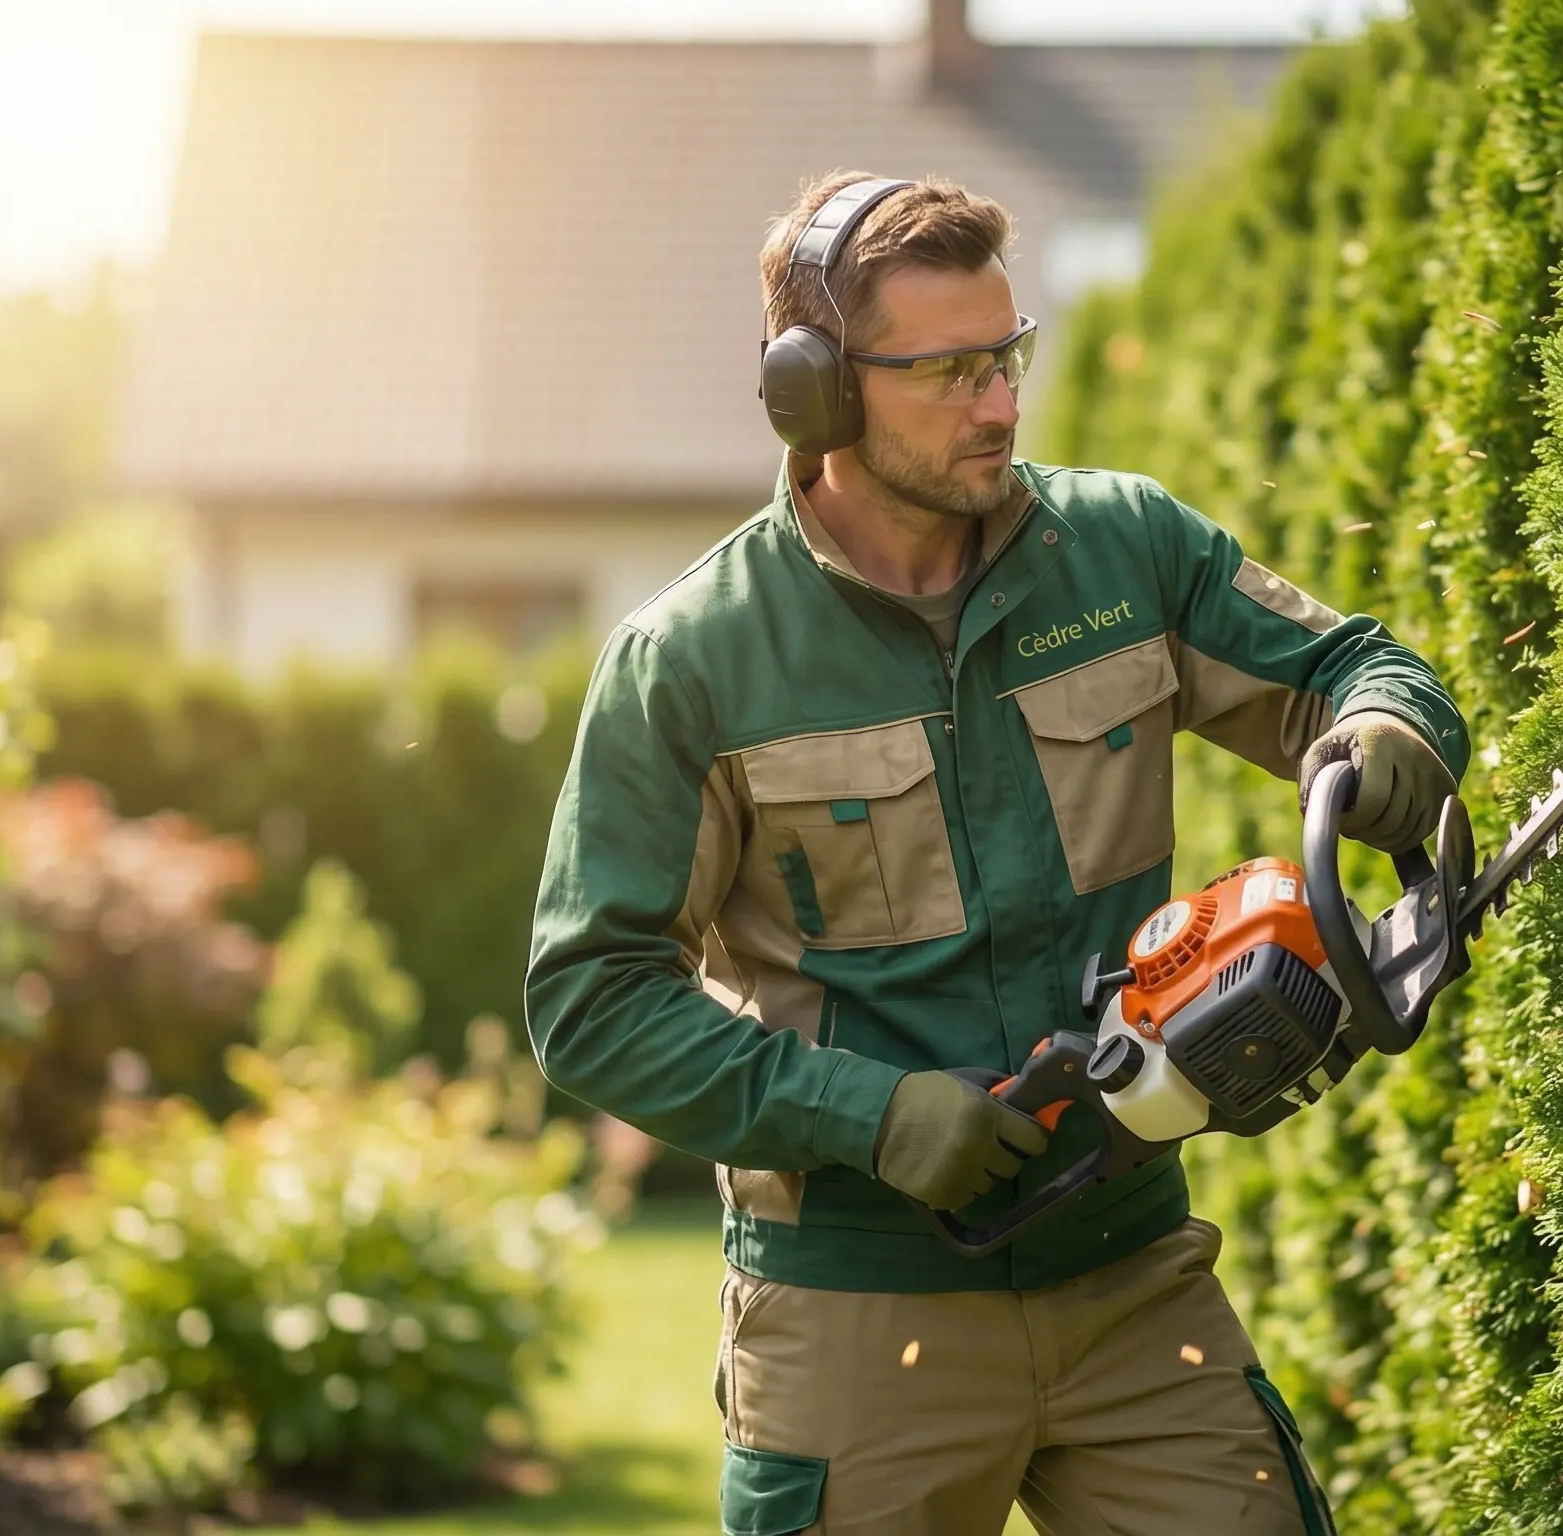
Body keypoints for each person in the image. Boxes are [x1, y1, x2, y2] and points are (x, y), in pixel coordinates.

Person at [526, 171, 1464, 1536]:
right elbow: (589, 997)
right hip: (854, 1314)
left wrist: (1382, 733)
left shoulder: (1121, 551)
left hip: (1132, 1282)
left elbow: (1350, 665)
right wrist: (875, 1116)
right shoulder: (696, 663)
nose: (1002, 404)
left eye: (1009, 355)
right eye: (951, 371)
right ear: (819, 395)